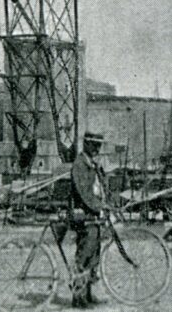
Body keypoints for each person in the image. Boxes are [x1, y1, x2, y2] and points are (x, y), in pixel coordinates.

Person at [70, 131, 107, 308]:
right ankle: (78, 298)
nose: (97, 149)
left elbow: (99, 187)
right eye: (94, 145)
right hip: (83, 215)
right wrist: (98, 207)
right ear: (86, 144)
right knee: (84, 254)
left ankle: (89, 294)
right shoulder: (80, 164)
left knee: (94, 254)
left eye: (99, 145)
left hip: (93, 216)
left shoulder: (91, 164)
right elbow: (84, 192)